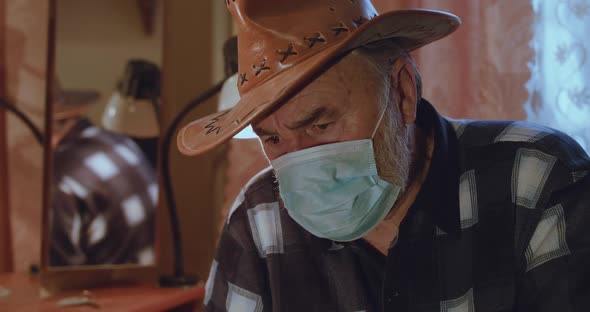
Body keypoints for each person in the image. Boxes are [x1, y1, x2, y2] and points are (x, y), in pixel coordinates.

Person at [177, 0, 590, 311]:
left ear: (402, 93)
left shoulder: (534, 180)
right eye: (272, 140)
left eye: (320, 125)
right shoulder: (258, 220)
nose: (302, 164)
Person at [49, 83, 157, 266]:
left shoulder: (60, 176)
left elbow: (60, 278)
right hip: (147, 284)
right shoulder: (118, 140)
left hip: (109, 291)